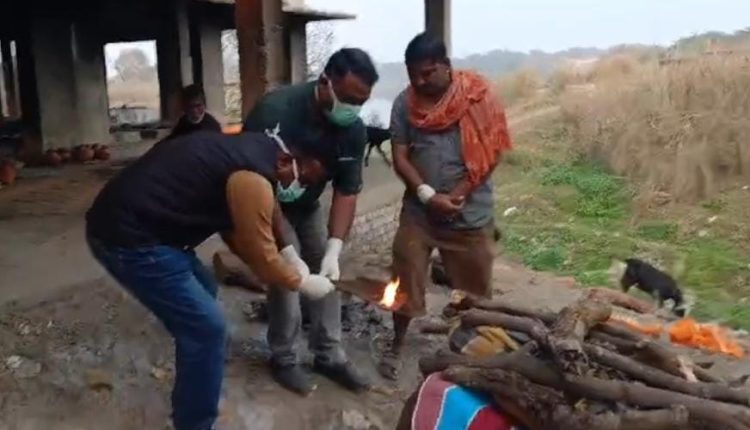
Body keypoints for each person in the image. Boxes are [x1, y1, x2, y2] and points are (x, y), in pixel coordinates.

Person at [86, 129, 332, 430]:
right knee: (208, 330)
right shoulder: (253, 179)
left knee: (205, 287)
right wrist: (301, 282)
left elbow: (237, 230)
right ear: (286, 160)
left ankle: (201, 370)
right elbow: (261, 257)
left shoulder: (255, 152)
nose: (297, 187)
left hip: (144, 227)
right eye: (302, 179)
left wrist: (289, 255)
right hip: (130, 239)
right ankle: (195, 423)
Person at [214, 47, 379, 395]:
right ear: (325, 82)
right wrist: (288, 253)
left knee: (328, 277)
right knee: (287, 280)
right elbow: (251, 181)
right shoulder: (275, 112)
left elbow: (347, 192)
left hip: (307, 205)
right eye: (348, 100)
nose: (353, 109)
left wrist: (334, 248)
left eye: (361, 103)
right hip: (266, 200)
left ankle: (329, 355)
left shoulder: (353, 131)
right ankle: (284, 357)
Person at [379, 33, 512, 379]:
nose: (419, 82)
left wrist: (458, 196)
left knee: (476, 293)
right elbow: (400, 156)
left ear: (446, 66)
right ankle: (397, 343)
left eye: (426, 74)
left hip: (469, 216)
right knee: (404, 277)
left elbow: (492, 153)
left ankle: (473, 352)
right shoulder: (404, 104)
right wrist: (427, 195)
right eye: (413, 75)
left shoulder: (479, 98)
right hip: (419, 215)